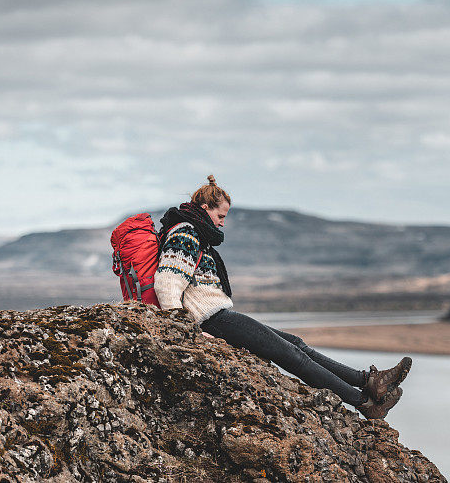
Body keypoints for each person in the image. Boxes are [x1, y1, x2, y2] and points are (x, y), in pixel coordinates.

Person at [154, 175, 412, 419]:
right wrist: (190, 331)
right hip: (212, 320)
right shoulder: (185, 233)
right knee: (293, 357)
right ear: (204, 207)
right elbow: (167, 284)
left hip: (218, 317)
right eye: (220, 215)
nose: (222, 222)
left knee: (296, 344)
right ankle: (364, 403)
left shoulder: (196, 233)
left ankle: (368, 381)